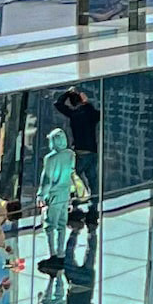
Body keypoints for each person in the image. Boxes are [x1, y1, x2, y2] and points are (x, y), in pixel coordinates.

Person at [54, 87, 102, 223]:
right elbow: (98, 115)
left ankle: (74, 204)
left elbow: (58, 104)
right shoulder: (89, 113)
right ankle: (93, 207)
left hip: (80, 152)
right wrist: (87, 102)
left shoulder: (73, 114)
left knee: (74, 179)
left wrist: (67, 93)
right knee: (92, 180)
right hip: (92, 152)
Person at [37, 127, 75, 273]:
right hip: (65, 194)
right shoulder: (71, 154)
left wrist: (41, 195)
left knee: (49, 225)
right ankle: (61, 253)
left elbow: (47, 179)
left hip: (53, 195)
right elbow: (71, 173)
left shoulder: (50, 158)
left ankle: (53, 254)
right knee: (61, 224)